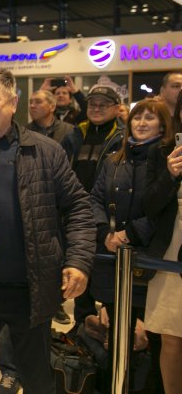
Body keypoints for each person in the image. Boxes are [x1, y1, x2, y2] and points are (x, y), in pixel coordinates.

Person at [0, 67, 95, 393]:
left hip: (30, 287)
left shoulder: (45, 151)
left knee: (37, 377)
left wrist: (79, 260)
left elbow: (79, 207)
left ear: (13, 102)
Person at [89, 99, 168, 393]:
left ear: (163, 125)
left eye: (150, 118)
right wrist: (104, 233)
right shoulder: (114, 161)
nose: (142, 123)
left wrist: (130, 233)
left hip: (153, 263)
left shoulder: (167, 160)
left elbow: (165, 209)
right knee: (117, 337)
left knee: (157, 340)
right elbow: (95, 198)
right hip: (113, 262)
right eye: (137, 118)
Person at [62, 84, 125, 329]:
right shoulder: (75, 135)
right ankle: (82, 330)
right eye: (92, 104)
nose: (96, 109)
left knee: (108, 278)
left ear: (117, 108)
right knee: (78, 268)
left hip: (106, 218)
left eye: (103, 104)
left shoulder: (122, 137)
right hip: (74, 214)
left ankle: (113, 334)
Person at [144, 89, 182, 393]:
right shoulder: (164, 151)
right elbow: (149, 204)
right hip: (171, 249)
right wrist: (169, 175)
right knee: (171, 336)